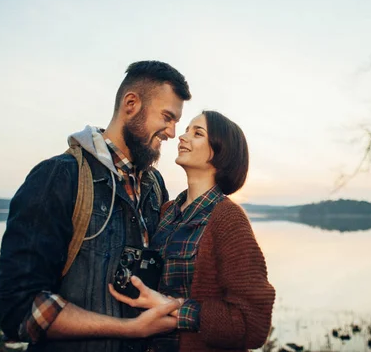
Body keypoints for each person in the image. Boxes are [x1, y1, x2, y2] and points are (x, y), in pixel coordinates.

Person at [0, 61, 192, 352]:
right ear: (131, 104)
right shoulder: (58, 177)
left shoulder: (154, 185)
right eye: (167, 117)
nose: (172, 133)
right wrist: (131, 330)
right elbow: (19, 309)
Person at [109, 110, 276, 352]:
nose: (182, 137)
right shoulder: (166, 211)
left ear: (219, 152)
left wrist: (174, 307)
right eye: (186, 130)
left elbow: (253, 324)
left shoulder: (228, 219)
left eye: (197, 133)